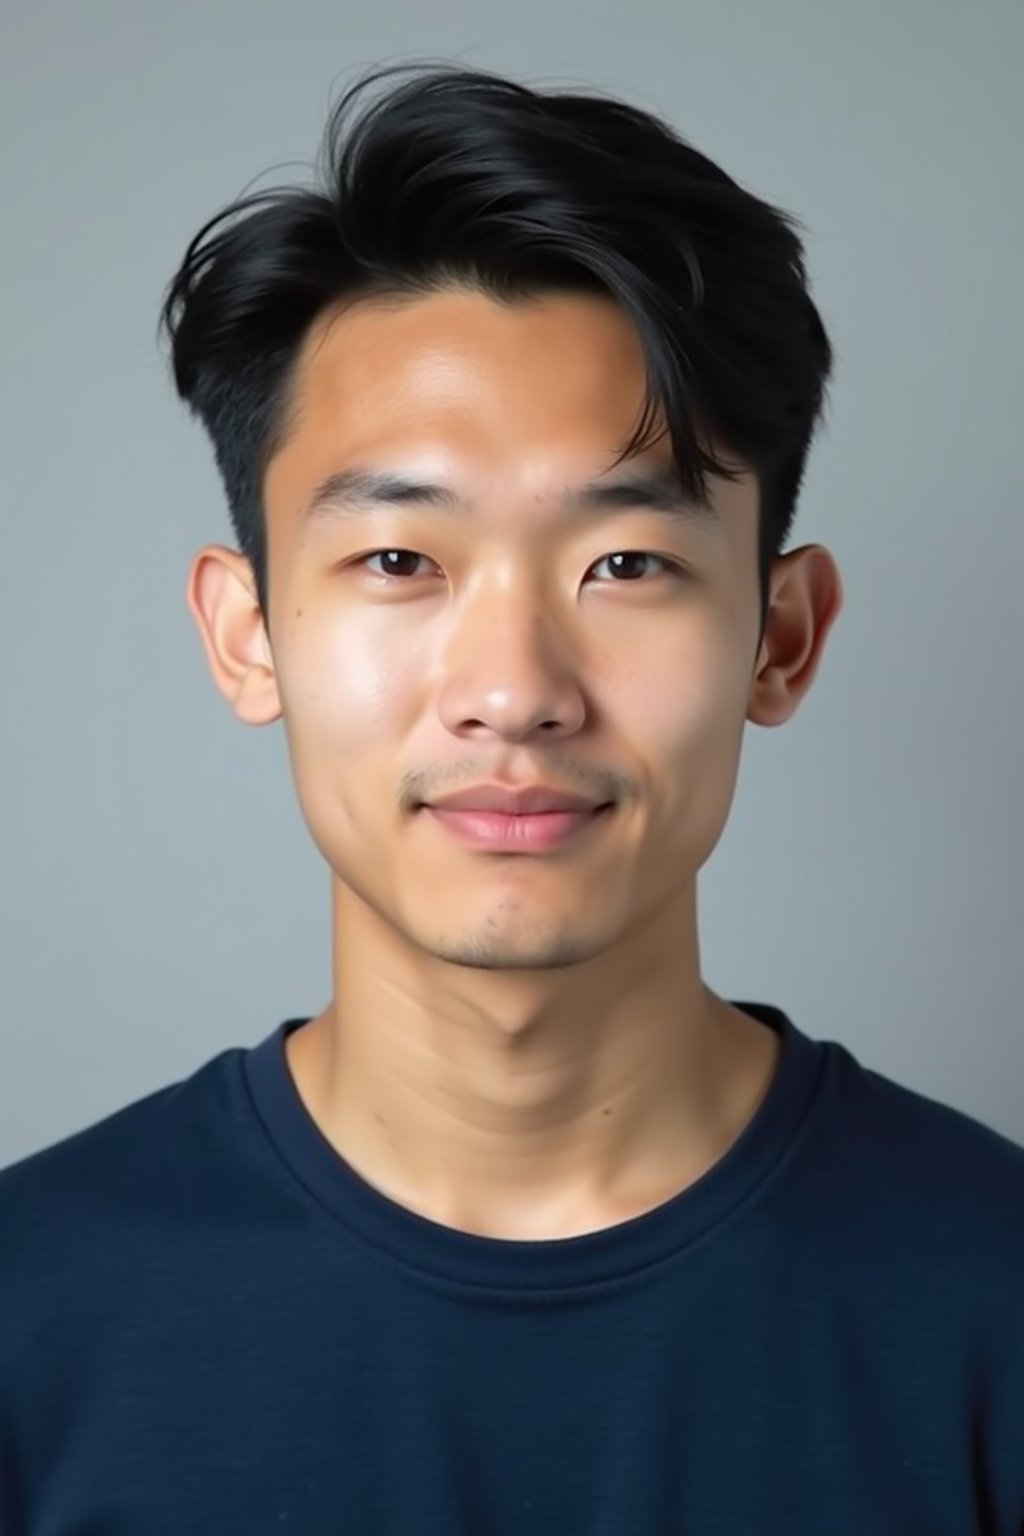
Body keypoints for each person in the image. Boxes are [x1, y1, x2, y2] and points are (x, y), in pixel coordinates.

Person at [2, 58, 1021, 1536]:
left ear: (781, 636)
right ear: (247, 633)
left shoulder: (990, 1301)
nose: (515, 686)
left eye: (627, 563)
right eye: (401, 561)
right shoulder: (33, 1321)